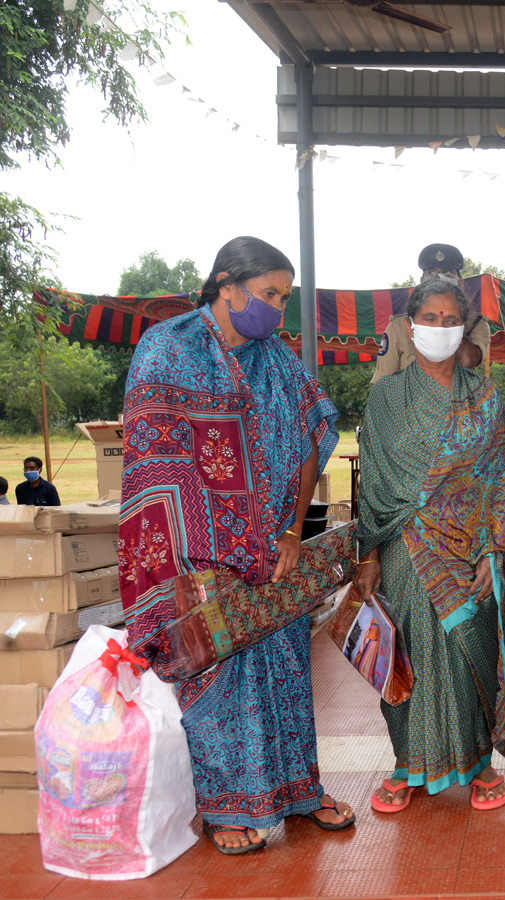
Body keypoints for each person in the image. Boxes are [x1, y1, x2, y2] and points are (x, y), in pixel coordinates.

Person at [119, 236, 351, 855]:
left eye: (284, 296)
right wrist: (216, 544)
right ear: (227, 285)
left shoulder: (277, 360)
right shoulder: (167, 348)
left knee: (286, 670)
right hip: (198, 555)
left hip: (273, 558)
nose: (277, 308)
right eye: (269, 293)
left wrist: (290, 532)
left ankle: (299, 792)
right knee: (218, 680)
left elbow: (310, 435)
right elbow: (156, 462)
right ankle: (228, 807)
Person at [354, 277, 505, 815]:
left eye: (452, 320)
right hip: (404, 547)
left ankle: (478, 764)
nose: (441, 328)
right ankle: (408, 764)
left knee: (466, 654)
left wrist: (495, 551)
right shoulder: (385, 395)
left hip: (470, 549)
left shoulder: (485, 394)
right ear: (410, 325)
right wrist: (369, 554)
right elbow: (374, 482)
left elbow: (498, 479)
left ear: (464, 327)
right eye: (431, 318)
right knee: (406, 655)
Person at [372, 243, 491, 383]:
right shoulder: (398, 326)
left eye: (447, 273)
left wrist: (451, 319)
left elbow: (467, 360)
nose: (439, 278)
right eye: (432, 273)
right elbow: (382, 383)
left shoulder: (477, 324)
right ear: (422, 281)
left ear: (459, 281)